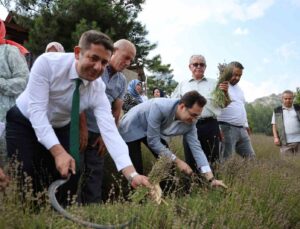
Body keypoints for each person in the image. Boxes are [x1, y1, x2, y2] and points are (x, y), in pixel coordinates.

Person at [5, 30, 149, 203]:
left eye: (104, 62)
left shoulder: (97, 89)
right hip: (24, 121)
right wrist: (58, 152)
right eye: (93, 58)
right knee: (26, 175)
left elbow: (109, 130)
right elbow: (37, 112)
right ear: (78, 53)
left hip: (61, 125)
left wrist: (132, 174)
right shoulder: (47, 63)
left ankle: (61, 217)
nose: (98, 67)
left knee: (71, 173)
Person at [119, 90, 227, 188]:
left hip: (151, 130)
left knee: (168, 161)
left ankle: (167, 193)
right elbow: (153, 142)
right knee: (136, 167)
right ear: (181, 107)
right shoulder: (160, 106)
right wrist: (178, 161)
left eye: (197, 116)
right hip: (132, 126)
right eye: (193, 115)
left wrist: (211, 178)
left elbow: (197, 149)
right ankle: (135, 200)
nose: (195, 120)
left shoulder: (191, 123)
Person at [79, 39, 136, 204]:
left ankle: (92, 209)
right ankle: (69, 207)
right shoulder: (95, 69)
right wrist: (81, 128)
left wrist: (106, 137)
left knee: (95, 171)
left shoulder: (122, 81)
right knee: (76, 167)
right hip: (80, 126)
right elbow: (79, 98)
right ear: (114, 51)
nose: (127, 63)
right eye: (126, 57)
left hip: (99, 132)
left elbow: (116, 111)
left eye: (130, 60)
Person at [171, 55, 229, 171]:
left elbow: (224, 104)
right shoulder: (183, 84)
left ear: (205, 67)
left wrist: (226, 93)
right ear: (189, 67)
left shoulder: (216, 83)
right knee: (191, 159)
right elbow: (174, 103)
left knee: (213, 159)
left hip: (210, 125)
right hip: (189, 125)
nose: (198, 66)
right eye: (195, 64)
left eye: (201, 64)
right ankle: (193, 185)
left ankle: (211, 185)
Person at [0, 19, 29, 165]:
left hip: (5, 117)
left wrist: (1, 83)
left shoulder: (10, 51)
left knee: (7, 160)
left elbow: (23, 81)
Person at [217, 61, 255, 161]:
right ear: (228, 72)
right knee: (226, 160)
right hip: (226, 128)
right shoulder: (221, 86)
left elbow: (241, 107)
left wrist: (246, 125)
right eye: (235, 75)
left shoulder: (240, 90)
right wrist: (218, 128)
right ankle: (223, 176)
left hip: (242, 129)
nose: (237, 78)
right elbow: (215, 108)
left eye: (240, 75)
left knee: (251, 158)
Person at [271, 90, 300, 156]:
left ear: (293, 98)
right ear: (282, 99)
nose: (288, 100)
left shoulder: (298, 108)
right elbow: (274, 125)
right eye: (285, 99)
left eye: (290, 98)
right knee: (287, 164)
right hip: (285, 142)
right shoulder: (277, 110)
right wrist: (276, 137)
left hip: (299, 141)